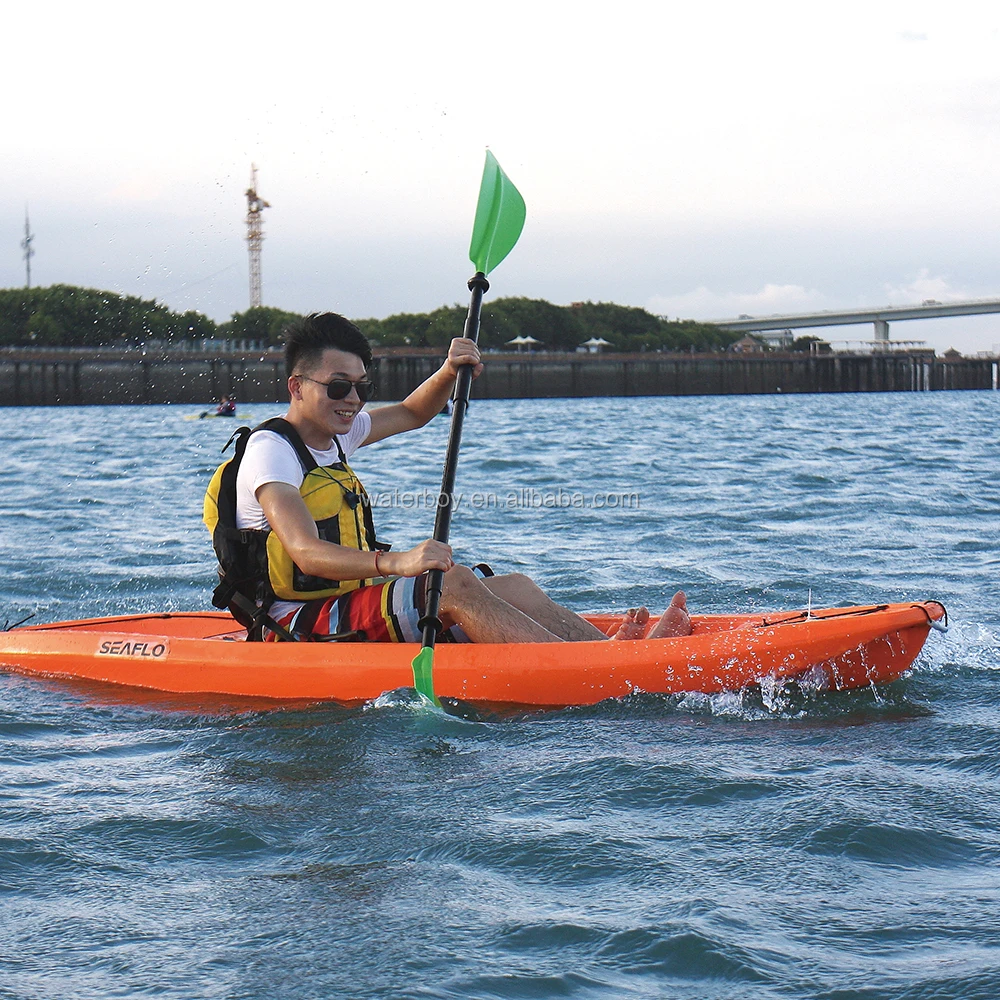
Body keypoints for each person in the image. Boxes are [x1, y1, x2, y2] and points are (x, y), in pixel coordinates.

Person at [211, 312, 690, 644]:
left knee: (515, 586)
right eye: (338, 387)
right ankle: (595, 670)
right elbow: (305, 552)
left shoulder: (337, 435)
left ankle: (614, 654)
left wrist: (449, 368)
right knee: (455, 584)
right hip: (293, 622)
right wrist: (400, 563)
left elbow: (413, 412)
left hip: (347, 601)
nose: (353, 399)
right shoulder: (272, 452)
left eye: (361, 387)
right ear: (297, 387)